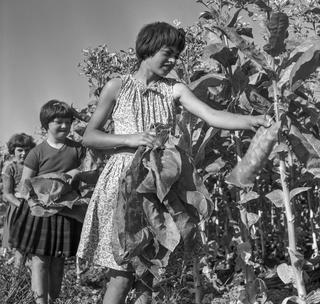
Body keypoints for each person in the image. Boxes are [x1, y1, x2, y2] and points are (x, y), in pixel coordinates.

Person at [77, 21, 270, 304]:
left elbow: (211, 115)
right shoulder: (117, 87)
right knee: (122, 272)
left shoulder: (174, 89)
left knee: (151, 271)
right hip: (123, 185)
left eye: (177, 55)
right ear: (147, 49)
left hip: (160, 184)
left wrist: (251, 120)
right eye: (167, 53)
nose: (173, 60)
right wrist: (131, 138)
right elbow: (89, 136)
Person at [9, 100, 85, 304]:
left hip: (66, 211)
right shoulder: (37, 152)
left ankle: (53, 299)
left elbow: (87, 171)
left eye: (68, 121)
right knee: (40, 260)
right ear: (46, 125)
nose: (64, 126)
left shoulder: (78, 150)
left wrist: (75, 172)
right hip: (40, 212)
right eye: (58, 121)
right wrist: (45, 190)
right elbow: (26, 184)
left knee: (58, 260)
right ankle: (40, 301)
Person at [1, 133, 36, 267]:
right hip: (18, 210)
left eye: (27, 149)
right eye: (20, 150)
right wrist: (23, 207)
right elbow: (8, 194)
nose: (24, 153)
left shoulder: (35, 168)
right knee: (20, 249)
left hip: (34, 209)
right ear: (13, 151)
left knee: (33, 249)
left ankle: (29, 284)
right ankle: (16, 283)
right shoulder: (10, 168)